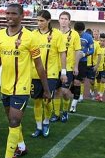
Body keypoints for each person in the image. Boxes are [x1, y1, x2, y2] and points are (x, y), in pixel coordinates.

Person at [0, 4, 50, 158]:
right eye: (7, 13)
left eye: (13, 13)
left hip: (22, 87)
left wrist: (46, 89)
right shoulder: (0, 36)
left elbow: (39, 65)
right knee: (11, 119)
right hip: (6, 87)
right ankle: (21, 147)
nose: (9, 16)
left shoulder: (30, 37)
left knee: (14, 121)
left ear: (21, 16)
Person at [30, 10, 67, 138]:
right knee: (37, 102)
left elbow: (62, 53)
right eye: (38, 20)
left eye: (42, 21)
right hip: (34, 74)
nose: (39, 23)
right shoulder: (32, 34)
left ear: (49, 21)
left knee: (47, 100)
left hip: (50, 74)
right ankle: (38, 126)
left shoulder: (57, 34)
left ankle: (46, 122)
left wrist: (63, 72)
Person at [50, 12, 81, 123]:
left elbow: (78, 51)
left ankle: (65, 111)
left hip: (68, 67)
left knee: (64, 91)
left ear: (69, 21)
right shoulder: (53, 33)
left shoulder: (74, 34)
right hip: (55, 67)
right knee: (56, 91)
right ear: (58, 20)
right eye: (61, 18)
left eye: (65, 19)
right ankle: (57, 114)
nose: (63, 21)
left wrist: (76, 66)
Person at [69, 22, 94, 113]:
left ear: (83, 30)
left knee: (77, 82)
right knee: (70, 83)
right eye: (77, 32)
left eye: (80, 32)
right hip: (70, 61)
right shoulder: (70, 34)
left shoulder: (88, 37)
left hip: (82, 62)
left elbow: (92, 50)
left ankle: (73, 105)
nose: (78, 34)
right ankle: (74, 95)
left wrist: (85, 54)